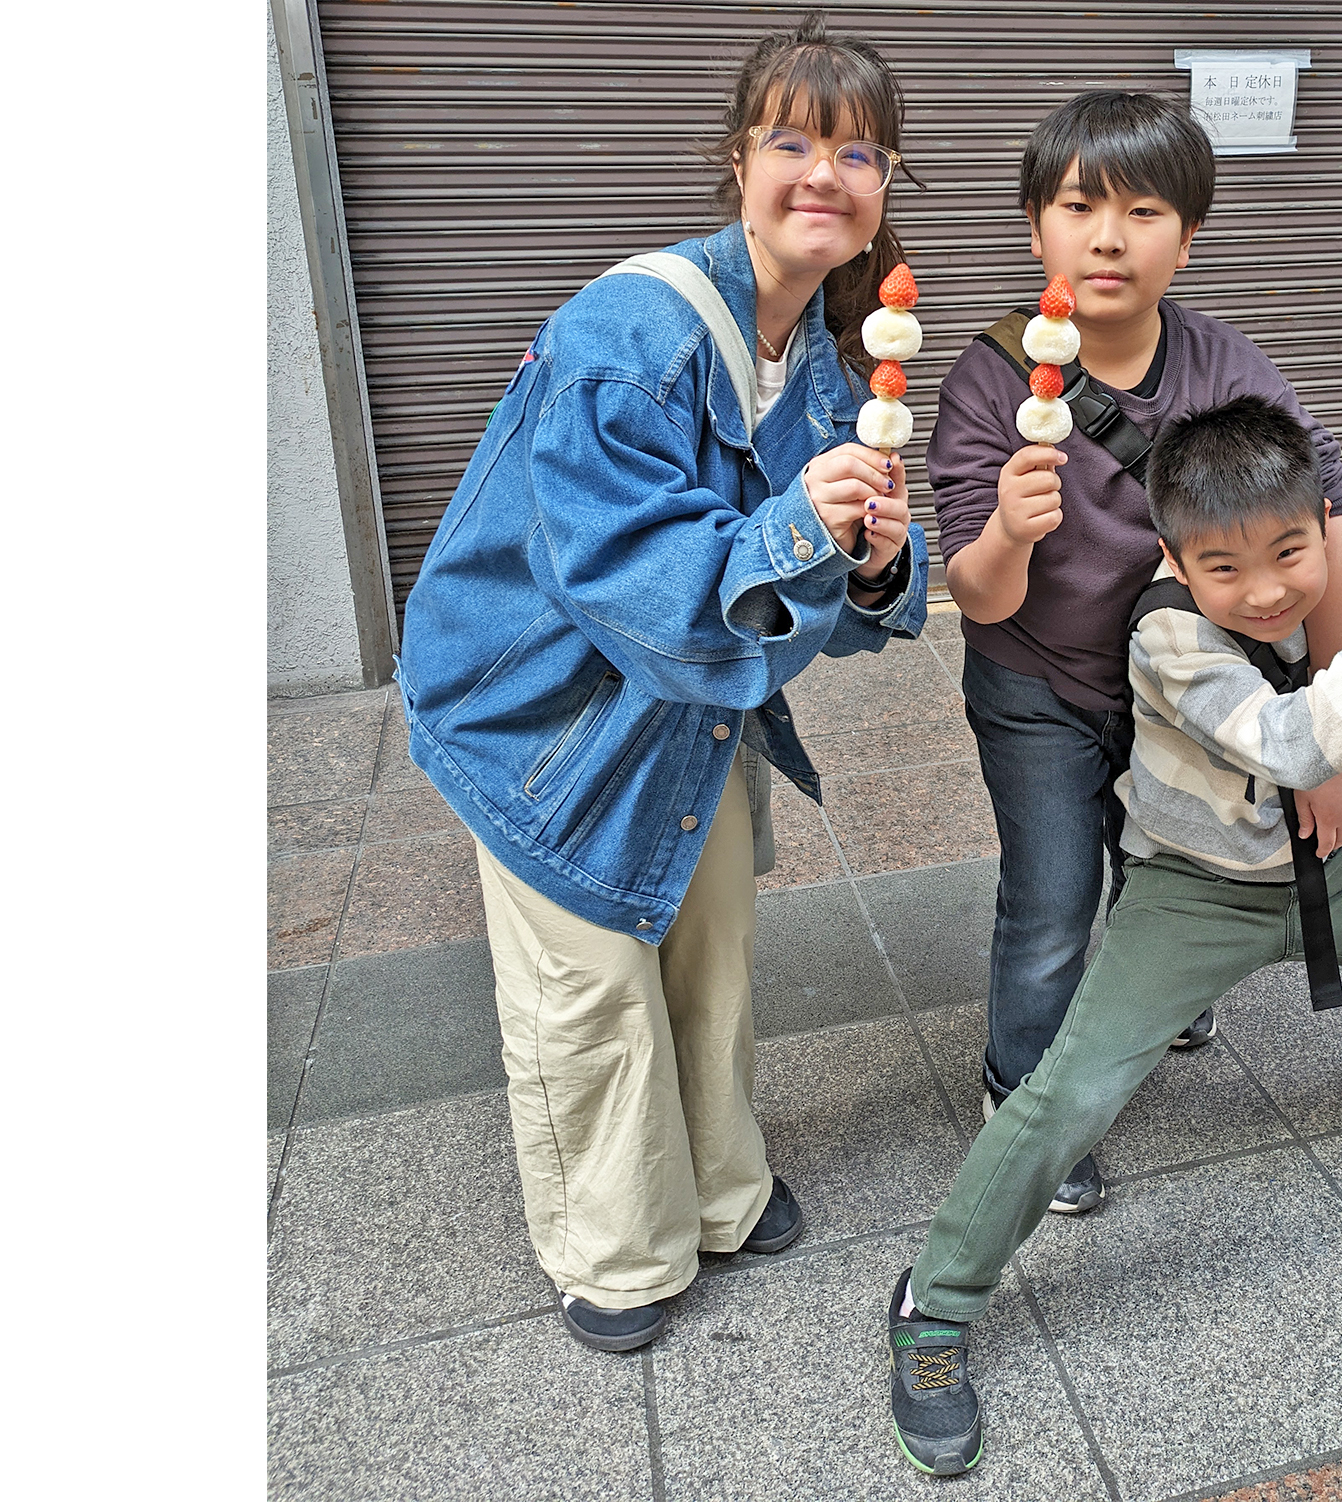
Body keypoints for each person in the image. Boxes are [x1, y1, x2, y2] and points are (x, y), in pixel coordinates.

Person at [885, 397, 1342, 1475]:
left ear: (1317, 525)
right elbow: (1296, 744)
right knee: (1068, 1095)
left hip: (1319, 874)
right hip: (1190, 893)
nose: (1265, 589)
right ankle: (934, 1299)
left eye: (1289, 552)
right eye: (1224, 566)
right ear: (1172, 556)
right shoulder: (1166, 633)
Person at [396, 13, 926, 1355]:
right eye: (794, 140)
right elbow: (639, 591)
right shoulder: (631, 329)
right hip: (542, 719)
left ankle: (724, 1196)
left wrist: (867, 561)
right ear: (736, 161)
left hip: (686, 715)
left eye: (859, 153)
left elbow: (815, 608)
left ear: (881, 198)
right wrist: (803, 528)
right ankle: (618, 1257)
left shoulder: (821, 365)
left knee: (712, 958)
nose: (826, 172)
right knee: (591, 995)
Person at [927, 91, 1342, 1216]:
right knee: (1049, 899)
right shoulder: (987, 380)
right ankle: (1023, 1097)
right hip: (1038, 681)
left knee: (1163, 857)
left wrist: (1332, 735)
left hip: (1182, 687)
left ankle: (1161, 992)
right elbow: (972, 595)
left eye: (1143, 209)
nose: (1109, 236)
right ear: (1036, 228)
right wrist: (1007, 533)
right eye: (1078, 206)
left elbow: (1327, 519)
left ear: (1188, 235)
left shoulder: (1223, 364)